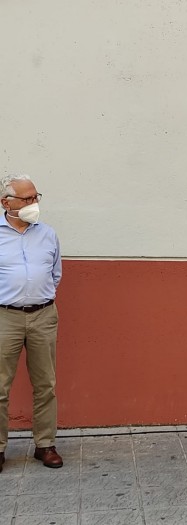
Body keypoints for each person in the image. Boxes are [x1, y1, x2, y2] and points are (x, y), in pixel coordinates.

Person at [0, 175, 63, 472]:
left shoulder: (48, 234)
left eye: (36, 197)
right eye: (26, 199)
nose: (33, 204)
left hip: (43, 315)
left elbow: (55, 274)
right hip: (5, 317)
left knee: (45, 384)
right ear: (6, 203)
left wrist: (40, 296)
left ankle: (45, 445)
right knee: (0, 386)